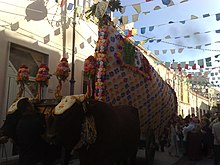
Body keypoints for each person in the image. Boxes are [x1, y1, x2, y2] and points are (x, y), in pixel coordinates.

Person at [0, 98, 60, 165]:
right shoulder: (35, 122)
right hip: (36, 160)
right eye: (31, 104)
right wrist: (48, 122)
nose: (33, 106)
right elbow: (48, 138)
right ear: (28, 108)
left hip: (23, 159)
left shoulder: (19, 122)